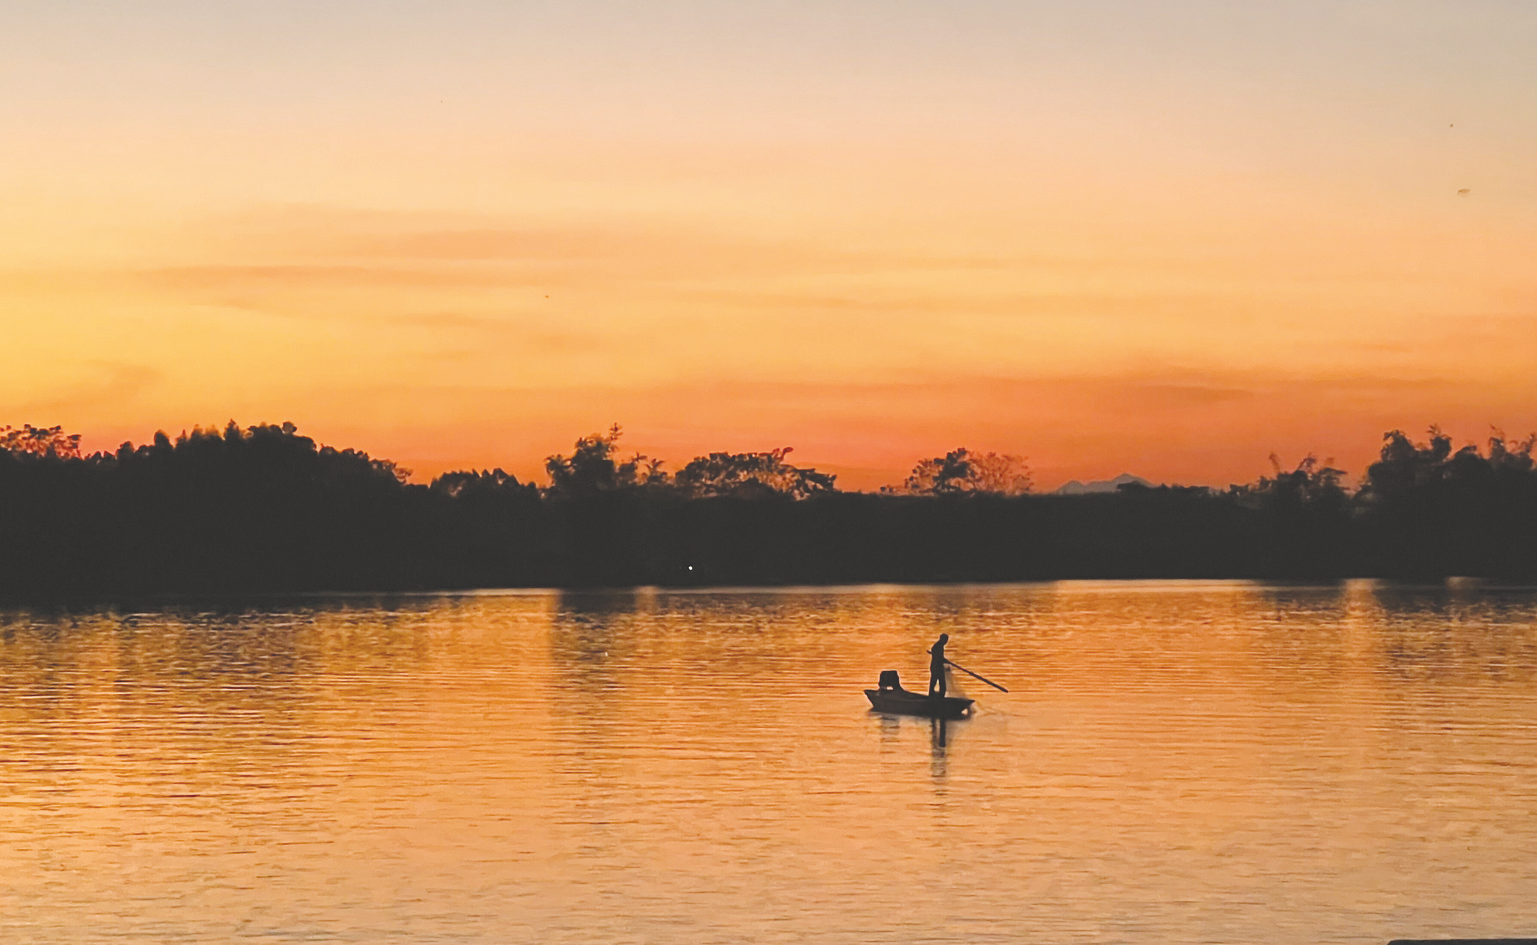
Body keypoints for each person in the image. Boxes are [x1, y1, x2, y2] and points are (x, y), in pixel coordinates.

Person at [928, 633, 950, 697]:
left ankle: (941, 696)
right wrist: (943, 660)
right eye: (945, 640)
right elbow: (938, 658)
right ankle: (931, 696)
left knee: (942, 683)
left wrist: (943, 660)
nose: (946, 642)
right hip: (936, 667)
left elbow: (940, 657)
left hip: (939, 666)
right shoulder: (937, 646)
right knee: (934, 682)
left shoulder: (940, 646)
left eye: (946, 640)